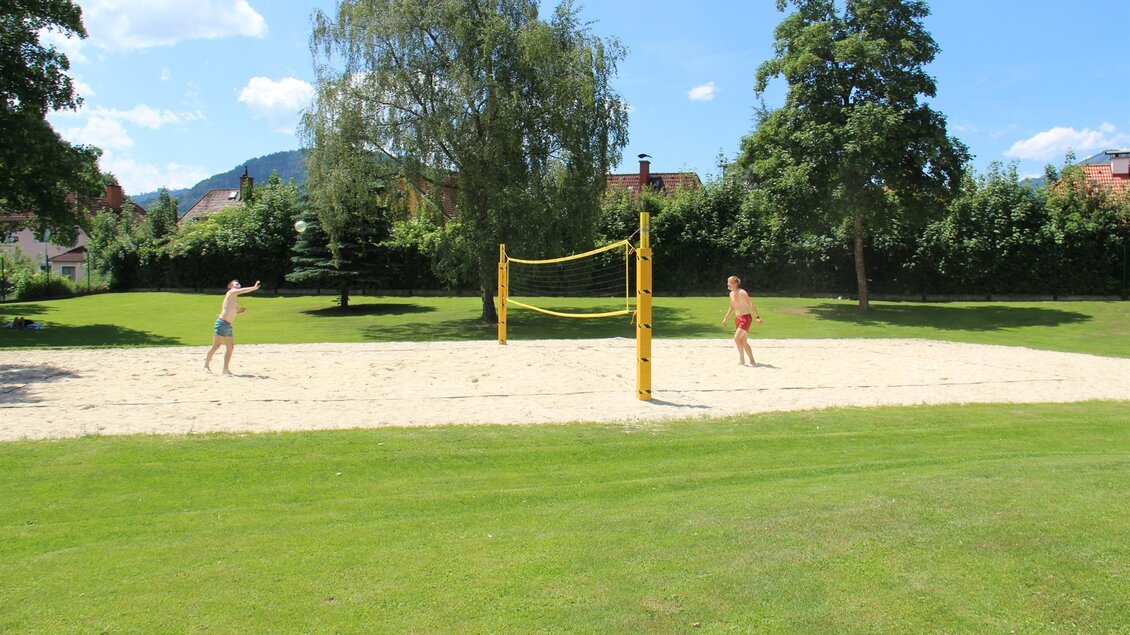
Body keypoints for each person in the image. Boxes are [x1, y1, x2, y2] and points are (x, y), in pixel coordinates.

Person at [205, 279, 260, 375]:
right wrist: (254, 287)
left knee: (230, 347)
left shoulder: (234, 299)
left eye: (239, 284)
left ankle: (225, 369)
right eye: (236, 284)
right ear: (230, 286)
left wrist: (239, 312)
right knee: (216, 346)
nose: (238, 285)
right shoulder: (231, 292)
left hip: (228, 325)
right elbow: (241, 290)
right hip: (222, 323)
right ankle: (206, 366)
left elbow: (231, 313)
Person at [721, 275, 762, 366]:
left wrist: (757, 317)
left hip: (745, 318)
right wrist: (725, 318)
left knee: (736, 338)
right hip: (738, 318)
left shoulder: (742, 292)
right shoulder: (731, 294)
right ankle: (752, 361)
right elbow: (732, 307)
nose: (728, 284)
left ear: (735, 283)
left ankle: (742, 359)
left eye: (730, 282)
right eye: (728, 282)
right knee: (743, 342)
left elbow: (751, 304)